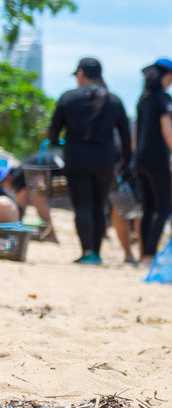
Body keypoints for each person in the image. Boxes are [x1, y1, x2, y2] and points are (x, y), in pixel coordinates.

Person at [46, 57, 133, 264]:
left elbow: (53, 131)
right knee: (98, 205)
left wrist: (58, 143)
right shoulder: (114, 100)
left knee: (82, 205)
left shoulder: (68, 98)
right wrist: (126, 162)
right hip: (104, 160)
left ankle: (87, 252)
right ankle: (97, 253)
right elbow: (125, 137)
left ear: (82, 73)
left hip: (76, 159)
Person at [132, 58, 172, 264]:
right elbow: (167, 128)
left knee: (147, 207)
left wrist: (133, 155)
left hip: (140, 159)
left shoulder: (144, 98)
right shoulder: (163, 98)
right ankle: (149, 255)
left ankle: (143, 255)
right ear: (167, 76)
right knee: (164, 206)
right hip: (157, 159)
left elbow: (136, 131)